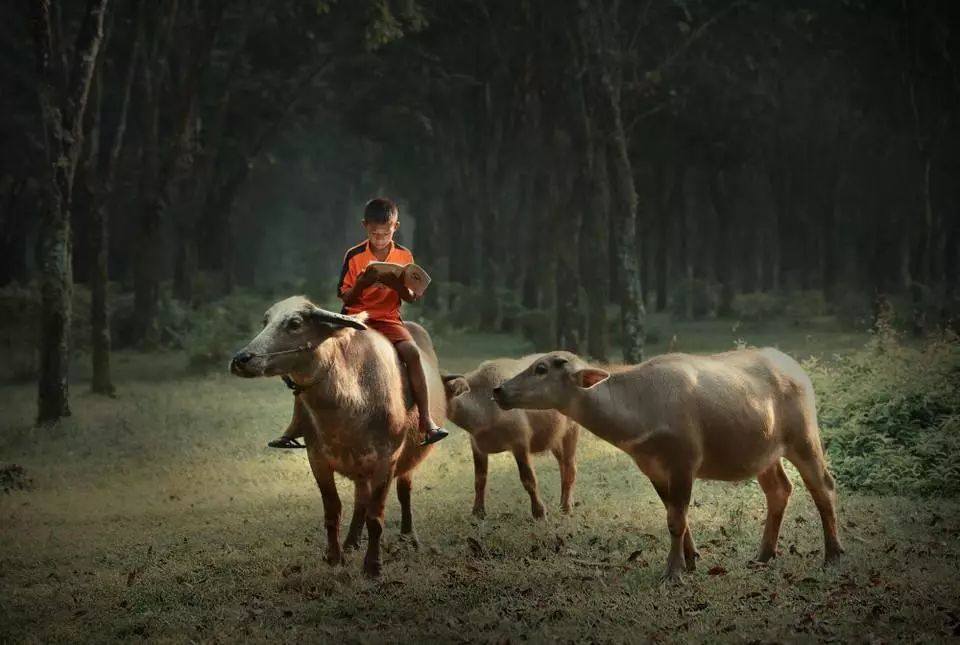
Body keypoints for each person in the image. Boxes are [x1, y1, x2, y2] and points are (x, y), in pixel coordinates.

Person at [268, 197, 449, 448]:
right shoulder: (354, 256)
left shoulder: (404, 255)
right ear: (365, 226)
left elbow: (411, 297)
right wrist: (362, 283)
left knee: (413, 354)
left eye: (385, 233)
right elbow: (345, 296)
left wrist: (397, 284)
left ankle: (427, 422)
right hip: (356, 319)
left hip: (388, 319)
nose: (380, 238)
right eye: (374, 233)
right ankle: (296, 426)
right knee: (314, 358)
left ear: (395, 227)